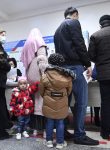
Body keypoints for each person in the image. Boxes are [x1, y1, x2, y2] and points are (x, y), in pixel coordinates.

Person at [54, 7, 99, 145]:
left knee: (63, 103)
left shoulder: (57, 30)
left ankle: (63, 132)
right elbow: (79, 44)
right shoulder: (73, 23)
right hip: (75, 66)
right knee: (81, 102)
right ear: (75, 15)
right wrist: (88, 64)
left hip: (62, 69)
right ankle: (79, 135)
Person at [40, 53, 76, 149]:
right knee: (60, 122)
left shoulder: (45, 75)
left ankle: (49, 141)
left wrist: (48, 96)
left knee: (49, 122)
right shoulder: (67, 76)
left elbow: (41, 91)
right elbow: (69, 90)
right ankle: (60, 143)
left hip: (48, 102)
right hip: (62, 102)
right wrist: (62, 96)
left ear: (50, 62)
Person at [21, 28, 48, 137]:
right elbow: (42, 59)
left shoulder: (27, 44)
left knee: (33, 101)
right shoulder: (39, 41)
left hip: (30, 76)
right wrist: (44, 73)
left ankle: (34, 128)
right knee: (42, 101)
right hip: (38, 74)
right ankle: (45, 129)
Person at [88, 15, 110, 139]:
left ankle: (105, 132)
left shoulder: (95, 36)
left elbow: (90, 56)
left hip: (104, 74)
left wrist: (100, 60)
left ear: (100, 24)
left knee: (106, 103)